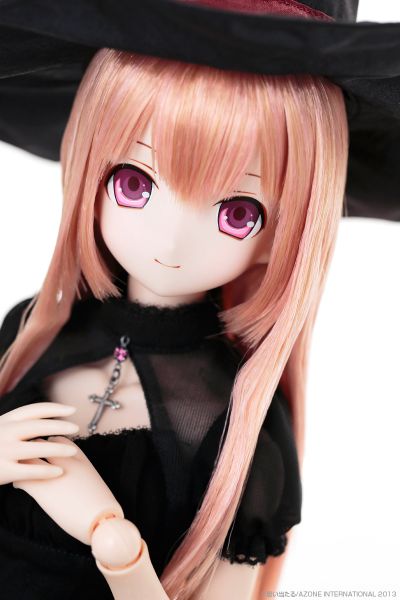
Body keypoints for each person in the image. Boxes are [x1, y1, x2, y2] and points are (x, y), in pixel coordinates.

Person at [0, 1, 398, 599]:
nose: (171, 240)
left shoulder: (239, 429)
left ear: (285, 234)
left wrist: (124, 558)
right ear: (90, 167)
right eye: (135, 183)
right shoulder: (31, 331)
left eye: (237, 213)